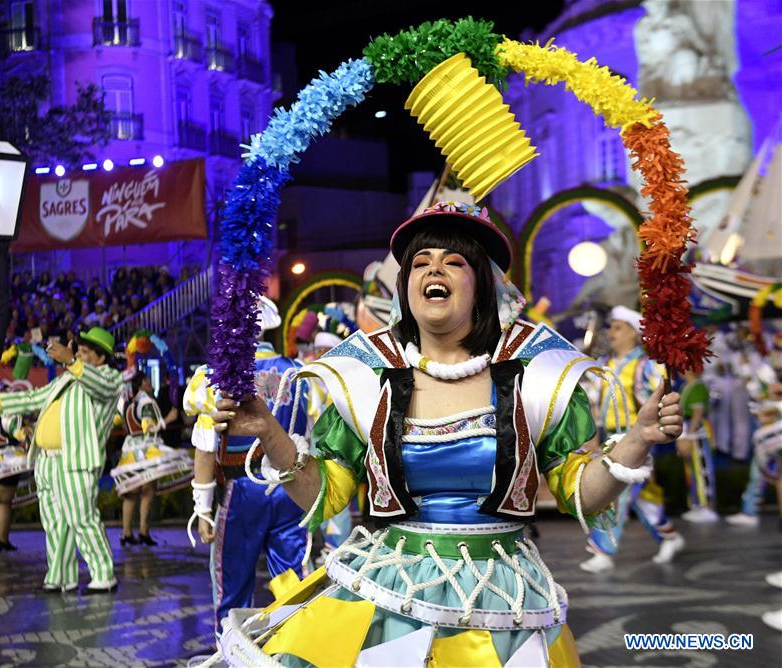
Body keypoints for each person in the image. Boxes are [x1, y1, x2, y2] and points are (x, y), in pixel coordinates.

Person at [209, 202, 684, 664]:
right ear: (406, 287)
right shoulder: (366, 375)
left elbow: (582, 494)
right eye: (420, 263)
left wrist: (638, 439)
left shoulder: (538, 374)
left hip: (506, 604)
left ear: (482, 285)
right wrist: (270, 432)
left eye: (454, 261)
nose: (434, 269)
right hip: (388, 595)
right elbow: (325, 496)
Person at [183, 296, 310, 640]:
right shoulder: (300, 372)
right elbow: (312, 438)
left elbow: (205, 445)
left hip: (242, 490)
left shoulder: (214, 377)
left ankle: (230, 651)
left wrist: (202, 509)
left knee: (233, 585)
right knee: (293, 584)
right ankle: (294, 653)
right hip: (292, 488)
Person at [0, 327, 122, 594]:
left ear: (101, 358)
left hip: (75, 460)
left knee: (82, 518)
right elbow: (35, 398)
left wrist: (71, 361)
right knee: (54, 522)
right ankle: (61, 575)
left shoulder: (110, 378)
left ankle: (103, 574)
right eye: (79, 351)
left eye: (85, 352)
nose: (80, 355)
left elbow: (100, 386)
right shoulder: (67, 378)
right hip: (47, 461)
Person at [580, 306, 686, 573]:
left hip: (637, 435)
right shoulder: (604, 365)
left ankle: (603, 551)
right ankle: (669, 535)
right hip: (609, 437)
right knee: (640, 495)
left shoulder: (645, 365)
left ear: (633, 333)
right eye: (611, 327)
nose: (611, 333)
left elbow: (661, 397)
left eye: (618, 328)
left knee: (616, 495)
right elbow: (592, 401)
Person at [111, 371, 192, 545]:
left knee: (131, 493)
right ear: (142, 383)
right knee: (148, 491)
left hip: (129, 451)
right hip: (146, 450)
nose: (150, 383)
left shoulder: (127, 403)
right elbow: (149, 427)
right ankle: (143, 531)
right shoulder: (146, 402)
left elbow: (118, 423)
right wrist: (168, 419)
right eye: (147, 380)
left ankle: (126, 533)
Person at [0, 381, 32, 552]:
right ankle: (2, 540)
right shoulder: (6, 409)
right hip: (8, 460)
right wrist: (24, 433)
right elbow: (14, 429)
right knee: (3, 502)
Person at [676, 369, 719, 522]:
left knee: (702, 467)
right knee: (691, 470)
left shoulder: (698, 386)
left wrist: (689, 435)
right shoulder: (685, 386)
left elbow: (698, 412)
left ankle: (707, 505)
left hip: (697, 431)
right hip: (688, 428)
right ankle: (696, 504)